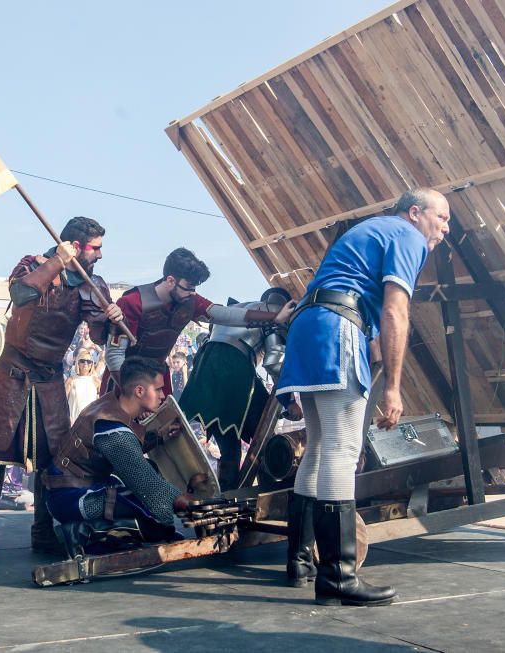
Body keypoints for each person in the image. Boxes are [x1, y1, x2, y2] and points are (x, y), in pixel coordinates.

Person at [276, 188, 449, 606]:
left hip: (310, 326)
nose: (445, 228)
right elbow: (395, 311)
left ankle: (301, 562)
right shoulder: (407, 237)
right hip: (337, 326)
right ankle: (338, 577)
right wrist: (392, 386)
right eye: (441, 217)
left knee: (318, 448)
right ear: (415, 213)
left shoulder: (371, 231)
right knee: (341, 449)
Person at [0, 216, 123, 562]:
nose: (100, 255)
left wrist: (113, 318)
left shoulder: (92, 282)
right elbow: (21, 292)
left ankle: (42, 530)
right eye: (95, 247)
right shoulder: (33, 265)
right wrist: (59, 260)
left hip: (51, 378)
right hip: (12, 372)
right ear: (74, 245)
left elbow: (100, 335)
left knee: (52, 457)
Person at [45, 357, 193, 552]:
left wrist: (158, 436)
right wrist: (187, 503)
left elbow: (125, 453)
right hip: (71, 498)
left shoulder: (110, 406)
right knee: (149, 513)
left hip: (76, 490)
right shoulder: (111, 425)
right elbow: (146, 482)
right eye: (157, 389)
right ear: (139, 391)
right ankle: (80, 532)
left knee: (150, 491)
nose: (163, 395)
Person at [103, 247, 295, 394]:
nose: (193, 292)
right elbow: (114, 356)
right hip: (123, 380)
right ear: (170, 280)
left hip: (157, 379)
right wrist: (134, 393)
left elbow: (224, 314)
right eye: (188, 286)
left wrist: (274, 317)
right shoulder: (132, 302)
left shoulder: (190, 301)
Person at [178, 287, 292, 491]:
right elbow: (274, 363)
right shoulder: (274, 312)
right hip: (233, 367)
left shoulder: (238, 307)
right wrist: (289, 401)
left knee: (229, 445)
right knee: (264, 434)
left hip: (204, 367)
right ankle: (267, 489)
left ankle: (227, 492)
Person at [65, 349, 101, 421]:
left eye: (88, 361)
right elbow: (63, 403)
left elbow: (100, 404)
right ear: (78, 363)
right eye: (82, 361)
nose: (85, 364)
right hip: (73, 422)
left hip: (90, 423)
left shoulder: (96, 381)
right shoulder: (70, 380)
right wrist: (68, 418)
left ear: (92, 364)